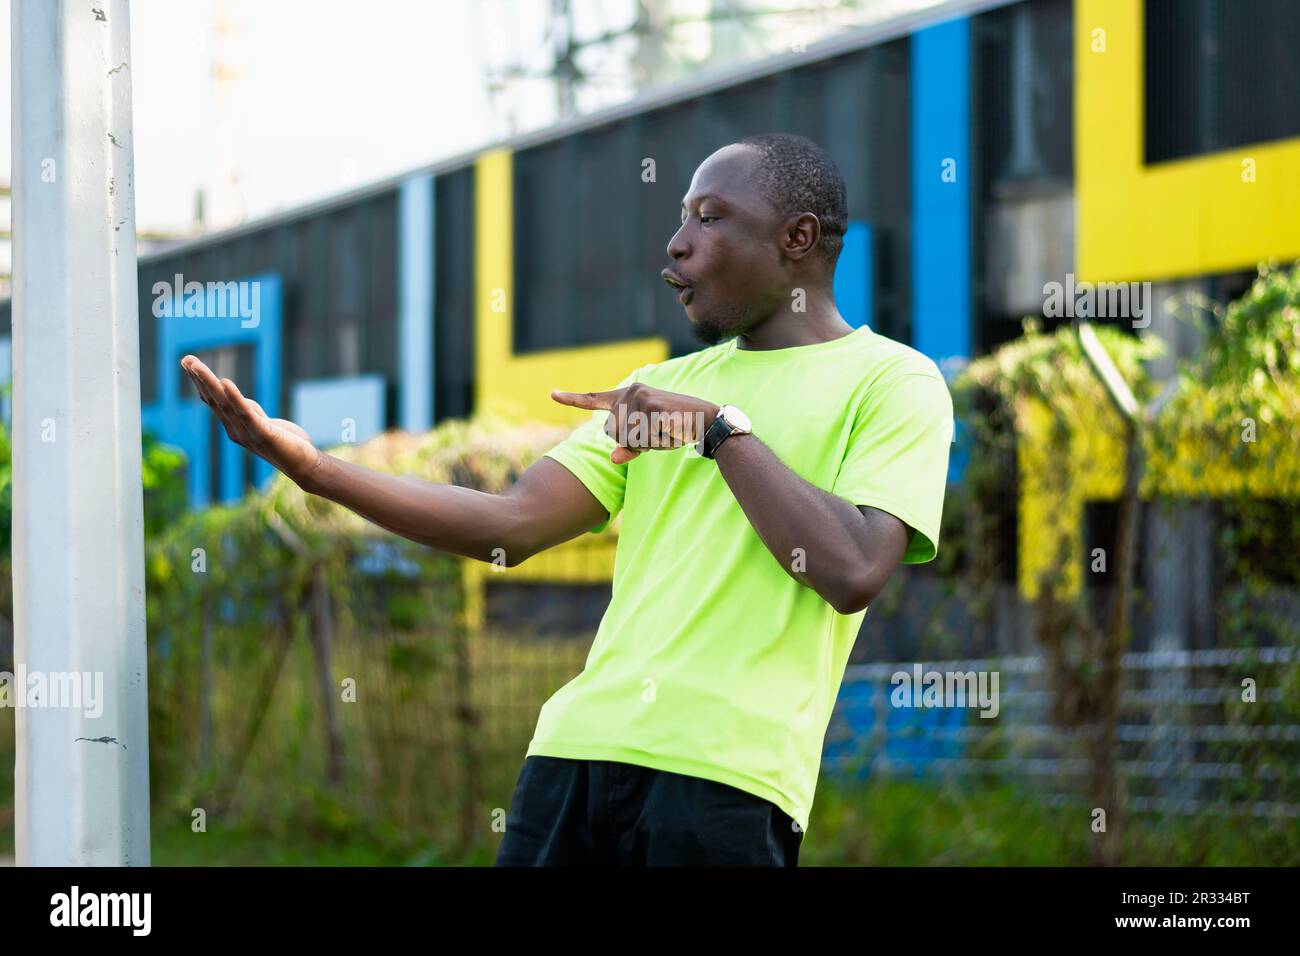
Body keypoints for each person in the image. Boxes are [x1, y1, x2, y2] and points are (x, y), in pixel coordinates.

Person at [181, 132, 953, 867]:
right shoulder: (663, 392)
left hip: (728, 779)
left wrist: (720, 433)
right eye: (681, 215)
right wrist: (316, 470)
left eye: (709, 218)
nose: (677, 243)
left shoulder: (893, 381)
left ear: (797, 237)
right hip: (574, 756)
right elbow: (510, 526)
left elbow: (852, 569)